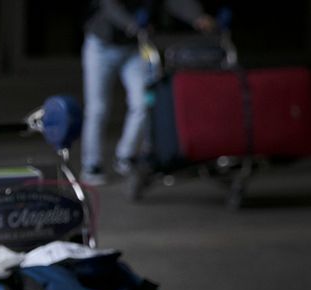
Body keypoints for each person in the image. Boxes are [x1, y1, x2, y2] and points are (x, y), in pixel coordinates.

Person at [80, 0, 217, 185]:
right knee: (97, 109)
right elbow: (110, 6)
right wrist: (131, 25)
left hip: (134, 49)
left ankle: (125, 156)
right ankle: (91, 164)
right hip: (101, 47)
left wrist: (197, 17)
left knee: (144, 102)